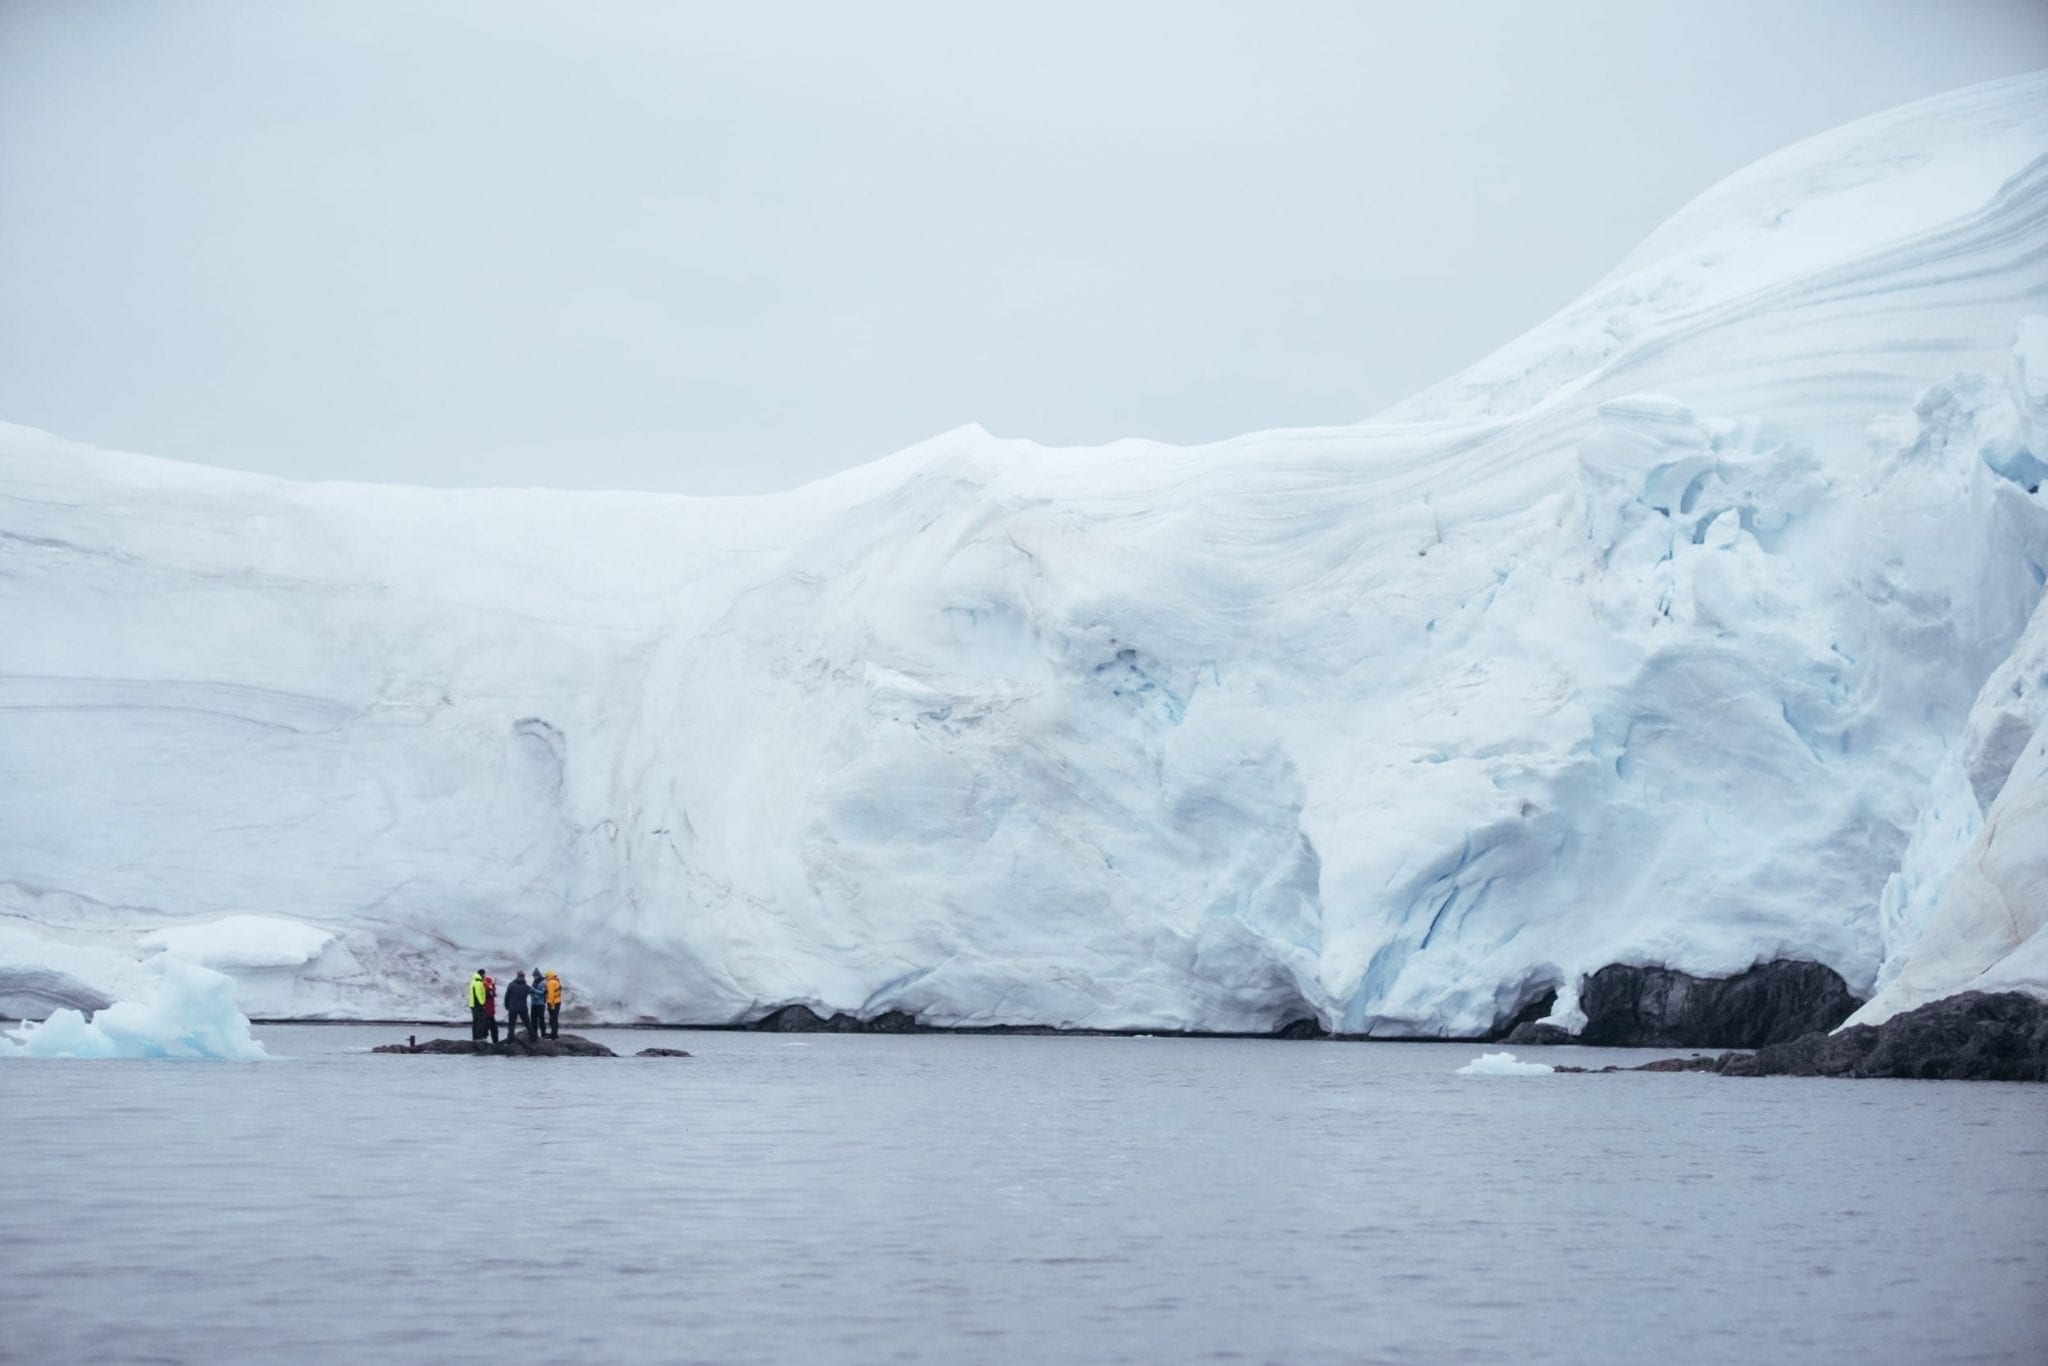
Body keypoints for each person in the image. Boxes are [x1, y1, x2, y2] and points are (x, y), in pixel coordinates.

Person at [505, 969, 533, 1043]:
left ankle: (510, 1039)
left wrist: (507, 1006)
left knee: (511, 1024)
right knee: (527, 1023)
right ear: (524, 977)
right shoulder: (526, 986)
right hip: (523, 1008)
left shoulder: (511, 985)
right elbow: (532, 991)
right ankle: (533, 1037)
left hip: (512, 1008)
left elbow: (507, 996)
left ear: (517, 976)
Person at [466, 969, 488, 1046]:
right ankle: (479, 1037)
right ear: (482, 974)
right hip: (478, 1005)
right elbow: (479, 994)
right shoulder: (479, 983)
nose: (485, 976)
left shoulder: (473, 982)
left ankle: (475, 1037)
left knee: (475, 1021)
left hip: (472, 1004)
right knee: (481, 1021)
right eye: (484, 974)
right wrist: (482, 1003)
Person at [543, 970, 563, 1040]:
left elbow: (551, 995)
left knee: (552, 1020)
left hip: (553, 1003)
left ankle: (553, 1036)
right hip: (558, 1002)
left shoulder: (551, 982)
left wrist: (551, 1005)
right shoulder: (557, 981)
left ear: (549, 976)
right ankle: (554, 1034)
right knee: (554, 1019)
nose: (546, 978)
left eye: (546, 977)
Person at [482, 971, 500, 1044]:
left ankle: (484, 1041)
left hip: (487, 1013)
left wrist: (493, 986)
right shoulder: (489, 992)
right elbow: (491, 992)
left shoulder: (488, 991)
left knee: (486, 1029)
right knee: (493, 1029)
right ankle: (495, 1042)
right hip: (489, 1013)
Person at [529, 970, 547, 1041]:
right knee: (533, 1020)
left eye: (535, 976)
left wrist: (534, 991)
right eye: (533, 976)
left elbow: (543, 993)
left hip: (540, 1004)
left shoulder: (543, 982)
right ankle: (534, 1034)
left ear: (538, 975)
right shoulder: (534, 982)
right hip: (534, 1004)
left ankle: (543, 1034)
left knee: (541, 1020)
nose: (534, 977)